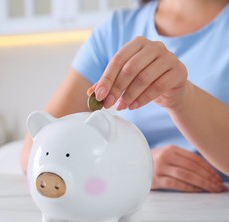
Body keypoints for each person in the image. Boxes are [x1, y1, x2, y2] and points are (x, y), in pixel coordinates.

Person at [20, 0, 229, 193]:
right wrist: (134, 166)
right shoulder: (115, 29)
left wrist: (183, 98)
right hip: (134, 209)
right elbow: (35, 149)